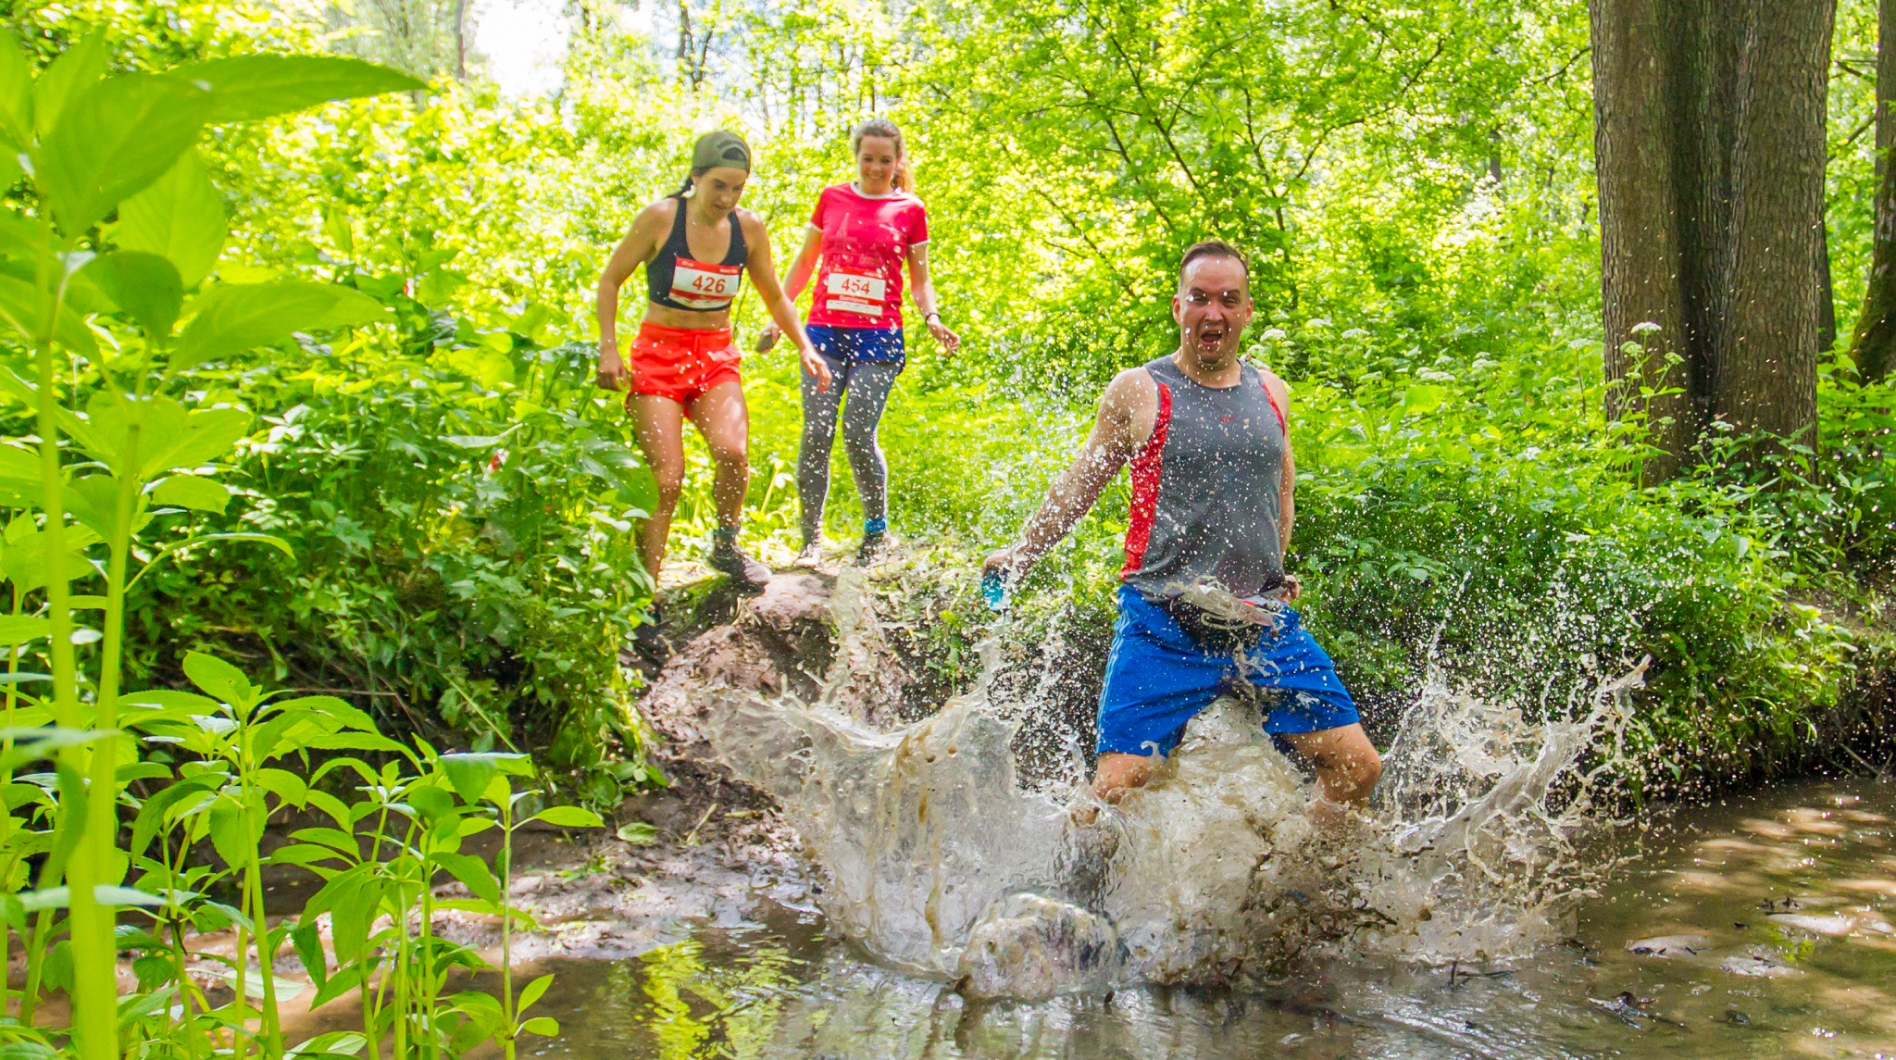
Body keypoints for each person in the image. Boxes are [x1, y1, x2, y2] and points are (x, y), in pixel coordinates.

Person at [983, 241, 1382, 814]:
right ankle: (1081, 899)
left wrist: (1274, 570)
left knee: (1358, 767)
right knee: (1114, 795)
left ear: (1246, 311)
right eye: (1200, 298)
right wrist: (1022, 552)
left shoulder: (1273, 391)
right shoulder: (1141, 389)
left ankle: (1304, 884)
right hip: (1161, 625)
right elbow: (1081, 483)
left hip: (1260, 623)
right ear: (1178, 307)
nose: (1212, 312)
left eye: (1227, 300)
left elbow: (1281, 491)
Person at [595, 130, 832, 601]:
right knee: (666, 478)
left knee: (733, 453)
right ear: (696, 177)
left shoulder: (748, 229)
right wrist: (608, 347)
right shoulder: (662, 219)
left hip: (714, 357)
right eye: (718, 186)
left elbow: (775, 294)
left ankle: (725, 545)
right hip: (658, 358)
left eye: (737, 187)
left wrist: (804, 344)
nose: (726, 198)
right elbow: (610, 280)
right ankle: (644, 596)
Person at [757, 117, 961, 564]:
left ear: (897, 162)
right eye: (867, 158)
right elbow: (805, 262)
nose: (875, 168)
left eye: (884, 161)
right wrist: (778, 318)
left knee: (856, 432)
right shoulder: (832, 198)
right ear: (857, 156)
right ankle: (810, 541)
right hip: (824, 332)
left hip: (878, 339)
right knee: (816, 432)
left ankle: (875, 532)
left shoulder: (910, 209)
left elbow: (920, 280)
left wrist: (932, 318)